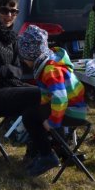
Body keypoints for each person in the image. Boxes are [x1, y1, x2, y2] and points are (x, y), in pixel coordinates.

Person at [17, 25, 88, 177]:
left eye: (24, 56)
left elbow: (60, 98)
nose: (23, 60)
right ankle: (49, 151)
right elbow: (47, 94)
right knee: (33, 112)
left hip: (73, 110)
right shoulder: (46, 64)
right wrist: (42, 109)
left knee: (29, 116)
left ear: (32, 54)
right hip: (69, 108)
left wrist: (52, 121)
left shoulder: (50, 70)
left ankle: (47, 156)